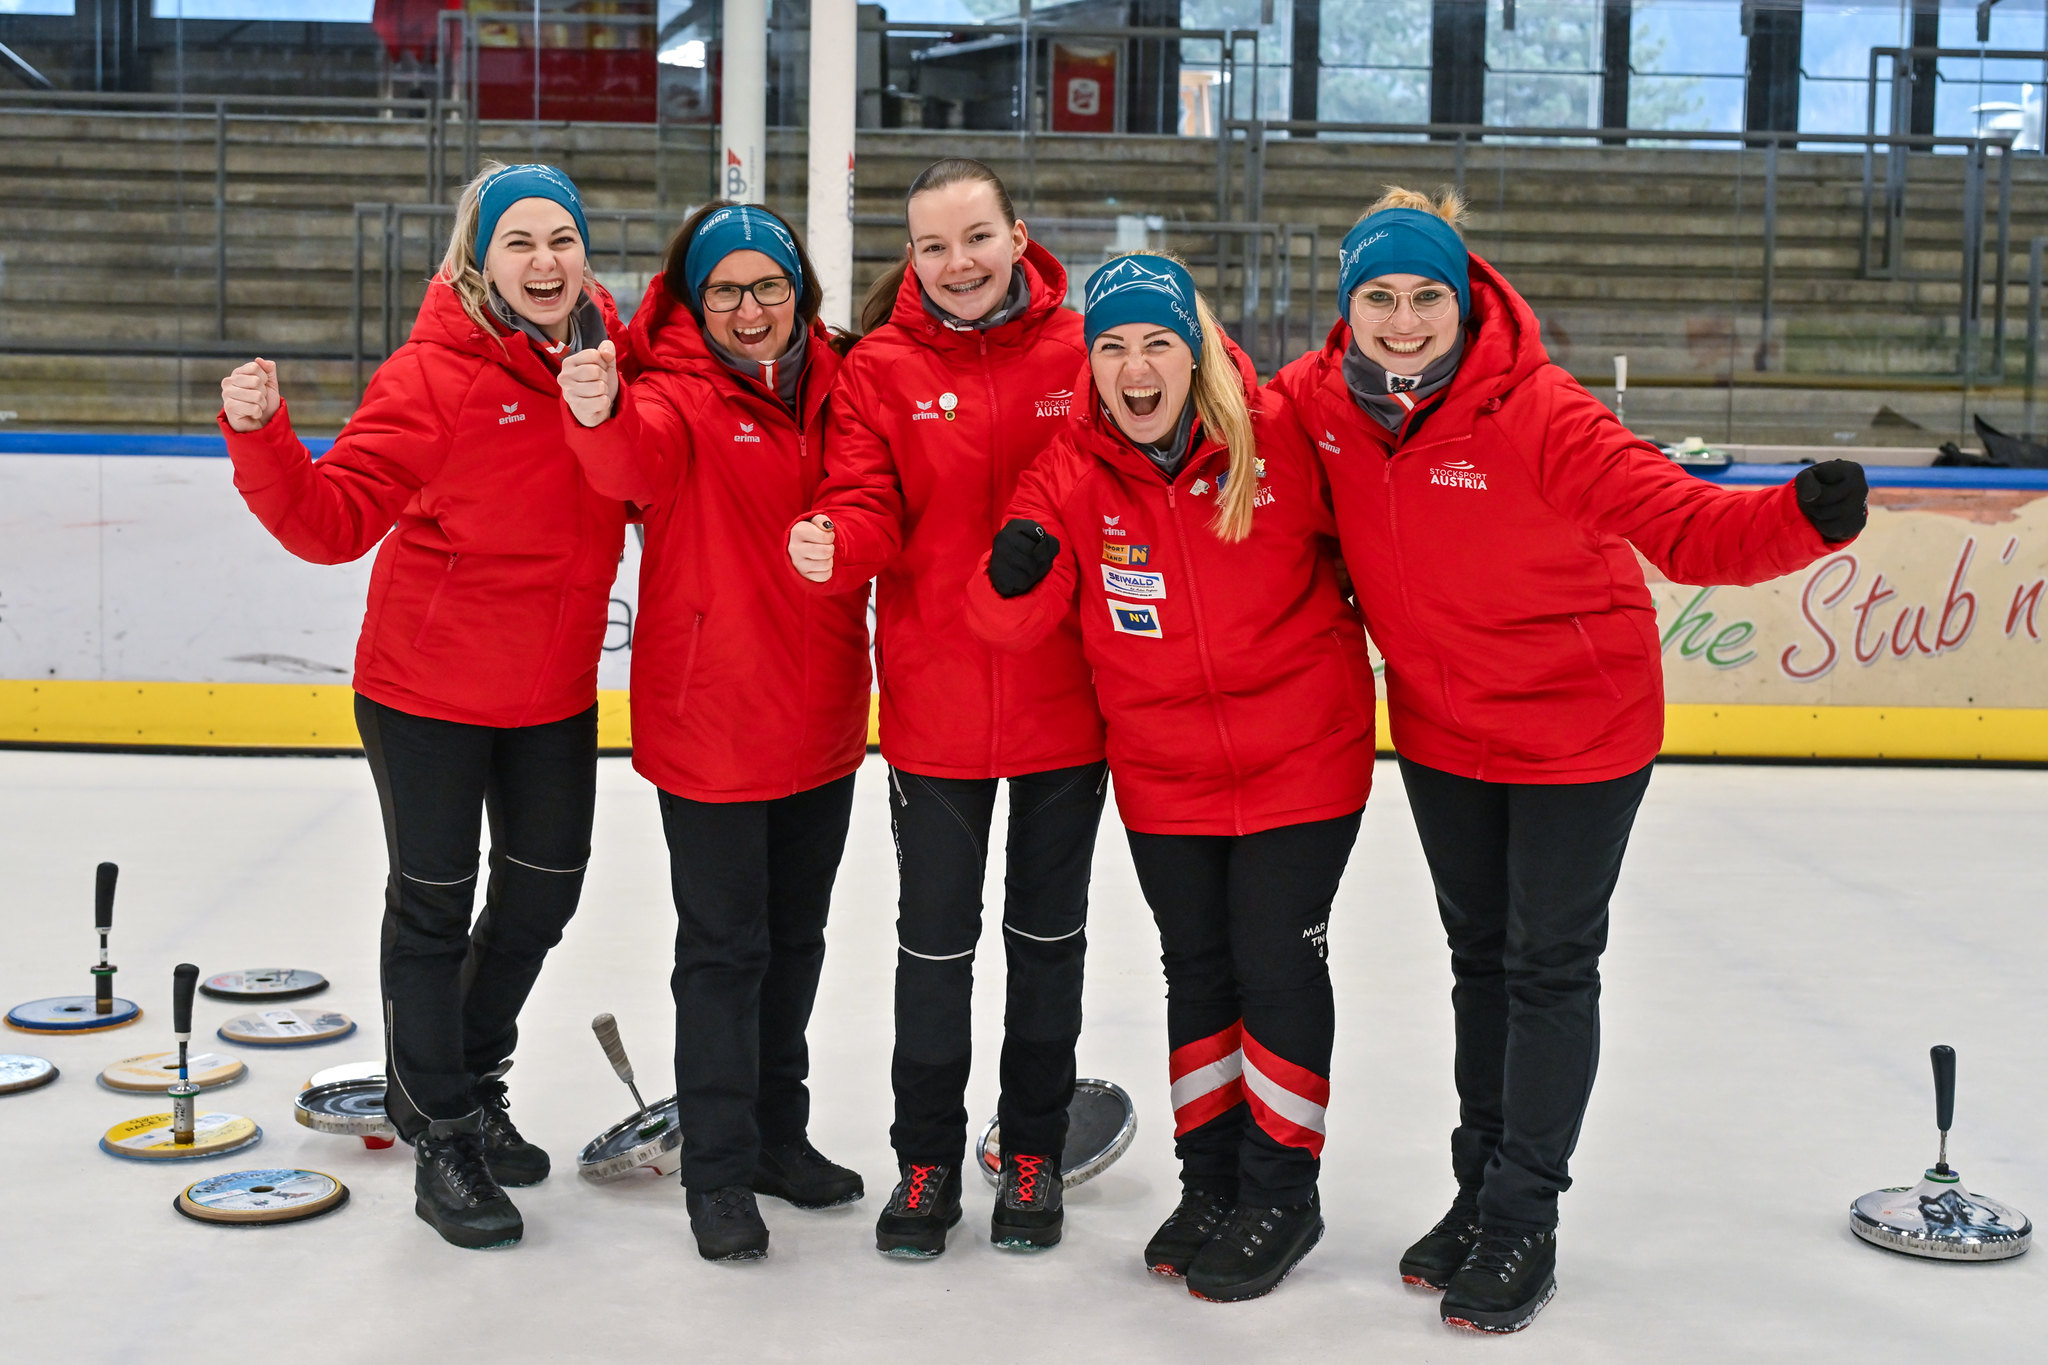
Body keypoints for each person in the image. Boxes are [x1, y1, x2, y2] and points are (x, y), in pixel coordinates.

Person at [1266, 187, 1868, 1333]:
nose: (1402, 322)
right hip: (1444, 732)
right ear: (1345, 312)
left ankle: (1522, 1217)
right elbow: (1216, 420)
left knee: (1546, 968)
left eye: (1425, 297)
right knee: (1478, 962)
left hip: (1574, 735)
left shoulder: (1538, 412)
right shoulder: (1320, 403)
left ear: (1463, 295)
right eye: (1377, 300)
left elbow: (1686, 525)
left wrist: (1799, 516)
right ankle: (1475, 1192)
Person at [217, 162, 631, 1250]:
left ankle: (464, 1073)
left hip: (550, 691)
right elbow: (330, 521)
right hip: (428, 693)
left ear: (584, 252)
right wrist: (261, 437)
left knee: (542, 898)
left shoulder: (606, 361)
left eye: (561, 240)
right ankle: (440, 1132)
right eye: (519, 244)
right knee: (434, 909)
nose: (544, 262)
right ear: (478, 258)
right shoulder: (431, 376)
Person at [963, 253, 1375, 1303]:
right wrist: (1009, 574)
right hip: (1163, 770)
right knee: (1194, 972)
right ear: (1088, 363)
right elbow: (1000, 620)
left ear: (1192, 351)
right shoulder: (1068, 469)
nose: (1134, 368)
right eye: (1110, 347)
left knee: (1272, 967)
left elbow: (1380, 541)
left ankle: (1281, 1192)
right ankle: (1211, 1183)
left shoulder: (1275, 432)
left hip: (1298, 760)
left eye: (1156, 344)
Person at [785, 158, 1108, 1258]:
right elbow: (866, 500)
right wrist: (840, 544)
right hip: (934, 706)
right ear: (908, 256)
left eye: (975, 237)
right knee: (933, 946)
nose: (957, 263)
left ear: (1018, 236)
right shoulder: (877, 367)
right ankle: (924, 1158)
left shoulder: (1087, 351)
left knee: (1047, 941)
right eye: (932, 246)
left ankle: (1033, 1149)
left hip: (1070, 703)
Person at [557, 202, 870, 1263]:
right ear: (695, 301)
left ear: (799, 291)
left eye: (768, 287)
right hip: (714, 722)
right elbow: (628, 468)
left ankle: (780, 1137)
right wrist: (596, 412)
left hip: (823, 709)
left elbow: (875, 495)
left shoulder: (837, 382)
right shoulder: (671, 398)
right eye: (725, 291)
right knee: (724, 953)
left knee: (796, 943)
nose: (749, 310)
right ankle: (719, 1171)